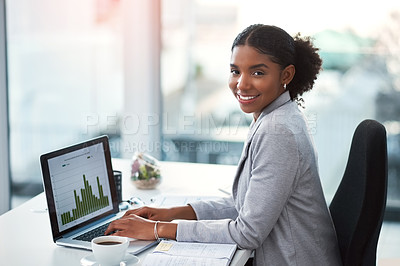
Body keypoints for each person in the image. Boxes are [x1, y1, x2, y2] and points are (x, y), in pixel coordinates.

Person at [105, 24, 342, 265]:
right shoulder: (275, 115)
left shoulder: (278, 130)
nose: (242, 84)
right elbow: (246, 203)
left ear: (286, 75)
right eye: (235, 71)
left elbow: (247, 233)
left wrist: (158, 229)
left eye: (258, 73)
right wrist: (169, 213)